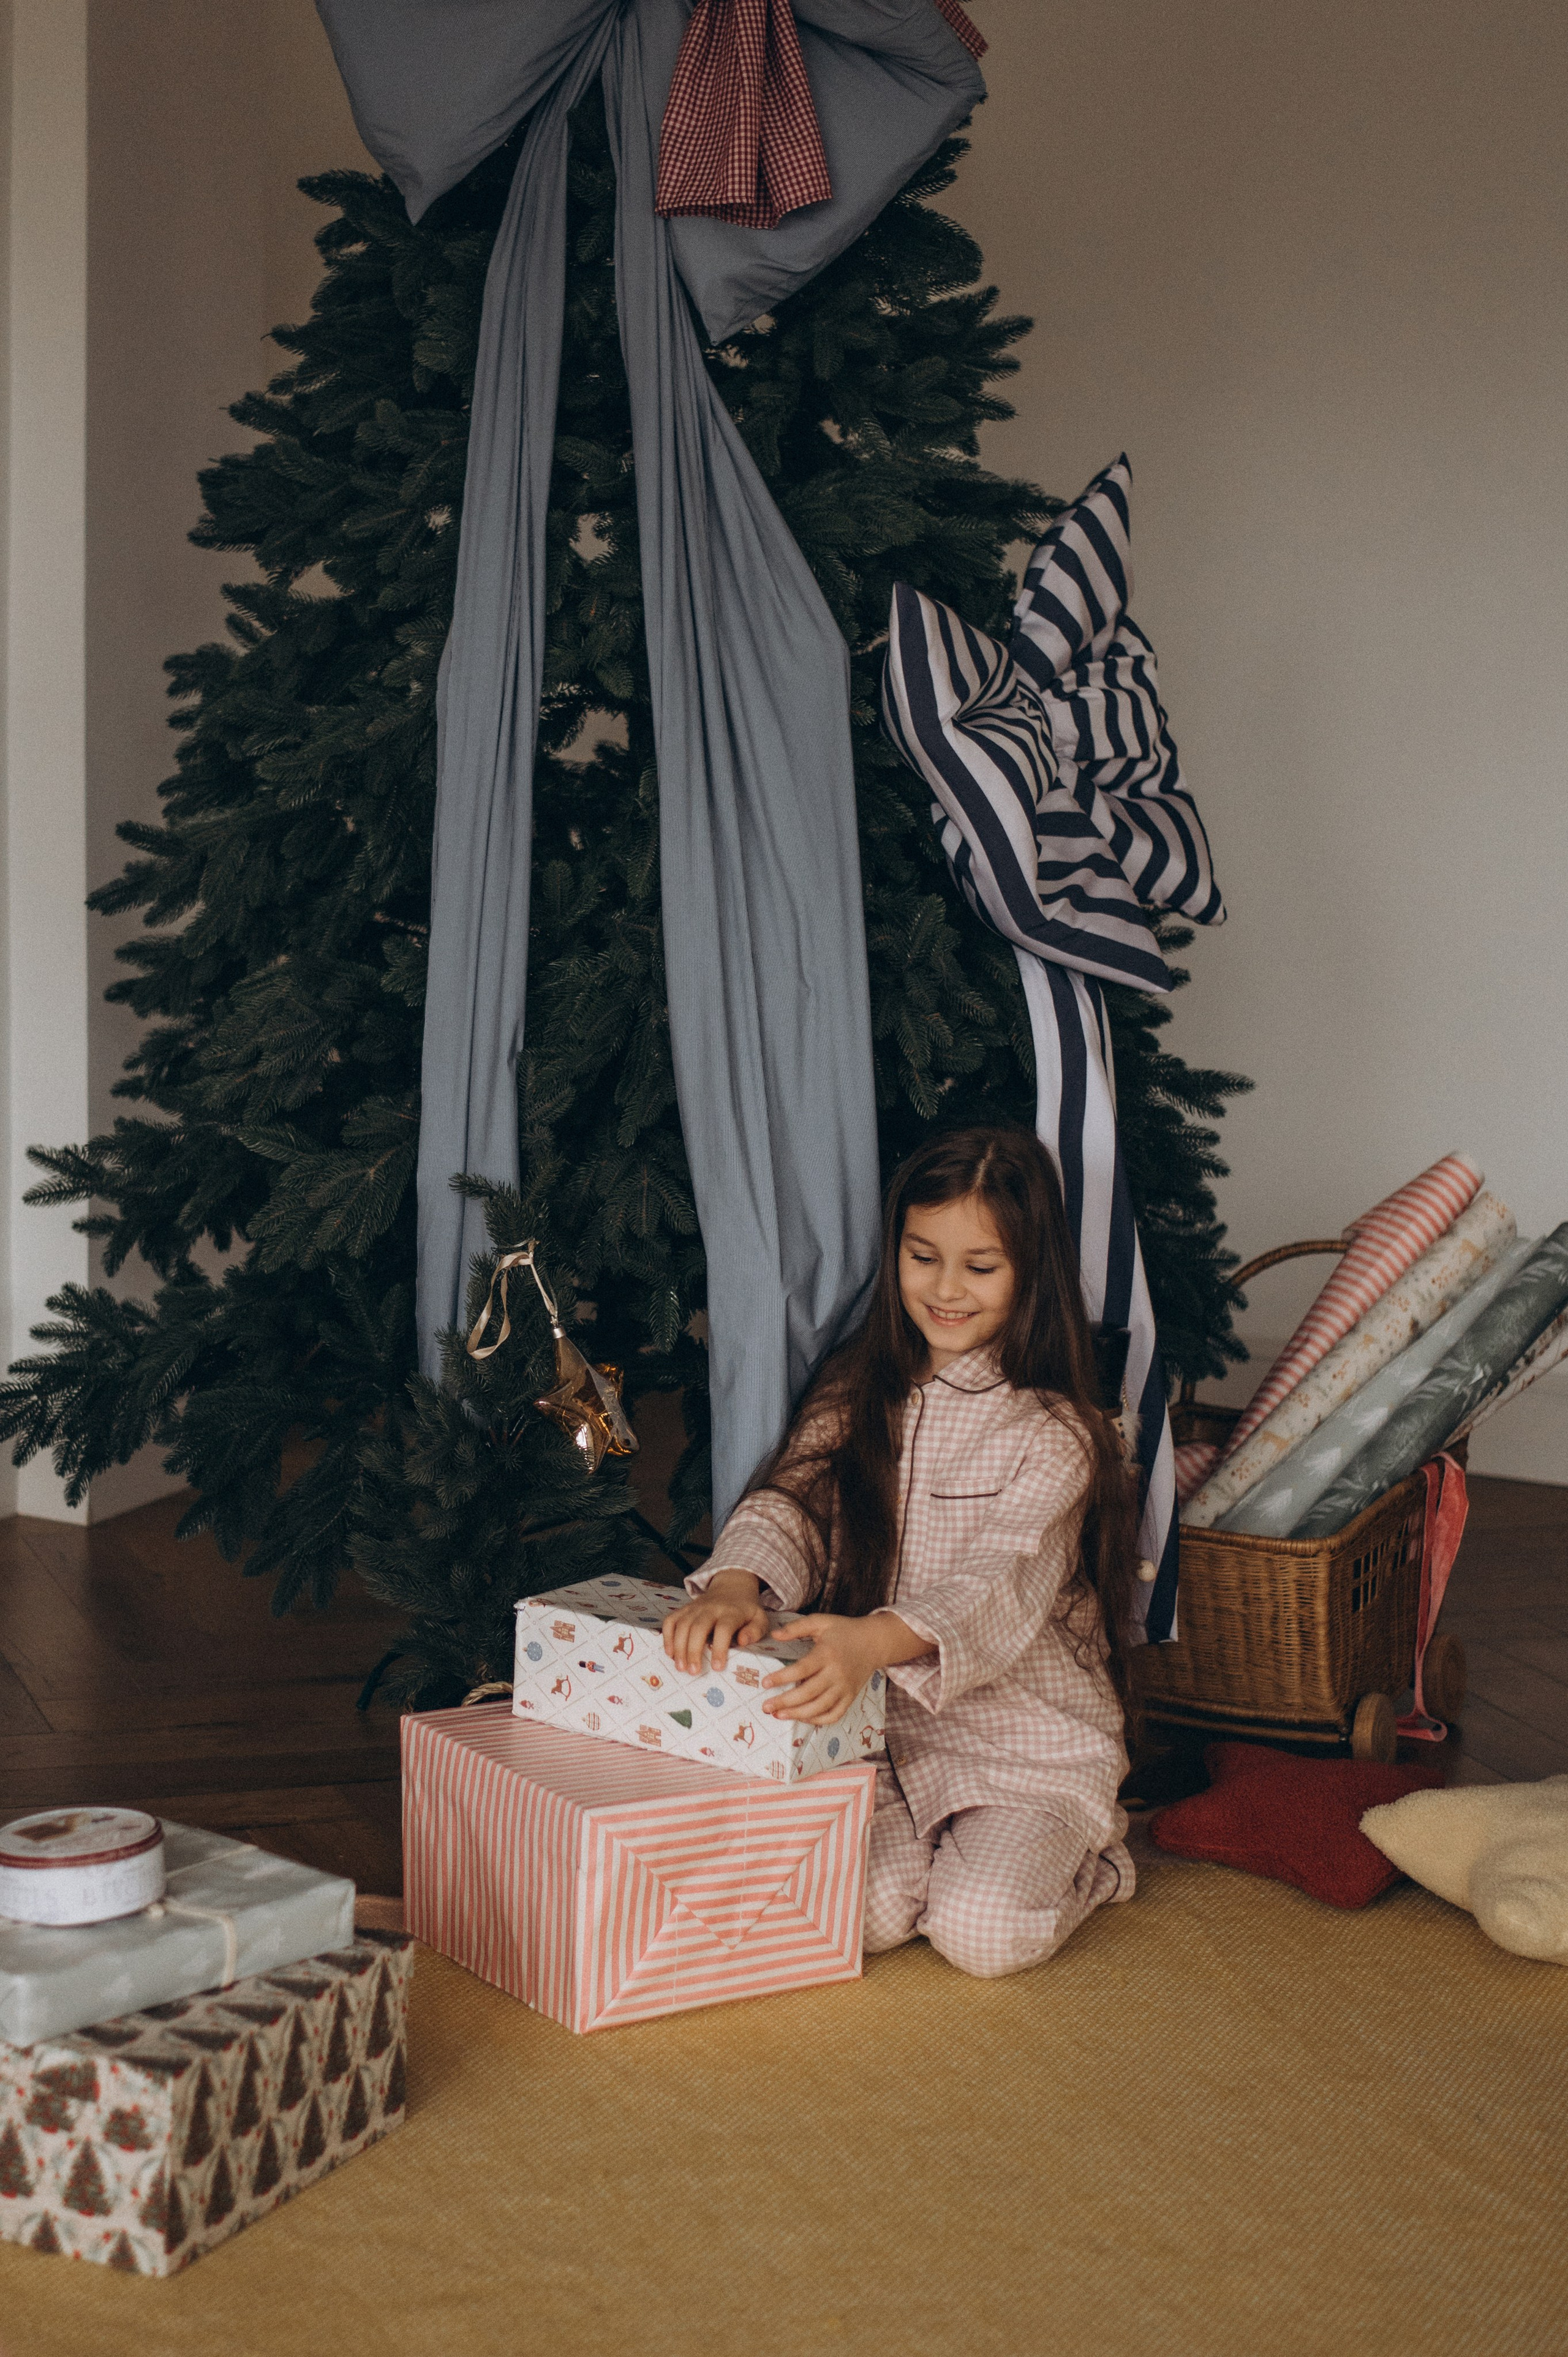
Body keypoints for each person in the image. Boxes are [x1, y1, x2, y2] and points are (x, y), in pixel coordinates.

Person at [662, 1125, 1141, 1980]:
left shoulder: (1056, 1432)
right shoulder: (860, 1385)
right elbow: (795, 1501)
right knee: (866, 1918)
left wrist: (872, 1640)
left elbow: (995, 1581)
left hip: (1027, 1749)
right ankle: (948, 1858)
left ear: (1033, 1275)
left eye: (981, 1267)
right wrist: (738, 1582)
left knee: (981, 1936)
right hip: (883, 1737)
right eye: (924, 1257)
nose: (946, 1290)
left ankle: (1093, 1863)